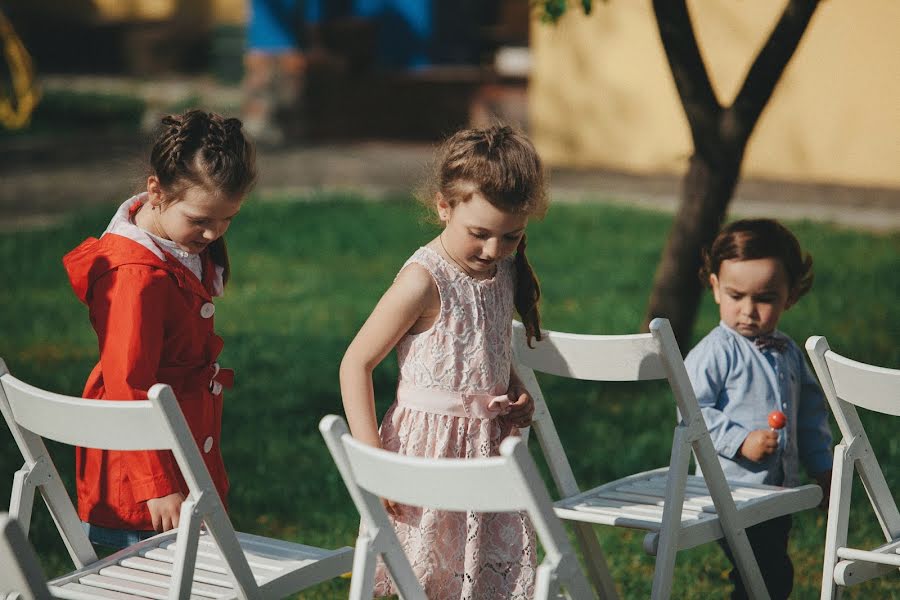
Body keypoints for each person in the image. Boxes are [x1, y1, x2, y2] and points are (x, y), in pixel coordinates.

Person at [340, 125, 546, 598]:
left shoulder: (503, 270)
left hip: (487, 453)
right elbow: (355, 363)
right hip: (426, 456)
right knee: (426, 579)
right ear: (443, 206)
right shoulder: (423, 281)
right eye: (479, 234)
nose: (494, 250)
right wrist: (376, 463)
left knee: (482, 578)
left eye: (511, 237)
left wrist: (514, 389)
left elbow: (488, 349)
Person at [62, 110, 256, 549]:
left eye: (228, 219)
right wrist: (156, 484)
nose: (213, 233)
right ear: (156, 190)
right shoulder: (135, 278)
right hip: (143, 479)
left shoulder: (173, 245)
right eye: (201, 220)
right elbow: (126, 385)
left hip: (181, 446)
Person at [684, 218, 833, 600]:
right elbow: (690, 411)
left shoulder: (788, 350)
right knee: (764, 575)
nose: (748, 310)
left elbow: (810, 415)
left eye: (764, 298)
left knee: (768, 572)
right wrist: (740, 440)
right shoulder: (715, 352)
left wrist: (822, 468)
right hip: (730, 492)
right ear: (716, 288)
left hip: (776, 492)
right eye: (736, 296)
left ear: (790, 296)